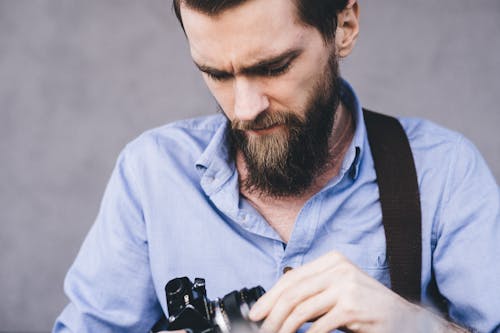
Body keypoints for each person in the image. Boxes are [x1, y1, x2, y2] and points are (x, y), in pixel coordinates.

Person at [53, 0, 500, 332]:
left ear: (344, 25)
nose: (244, 109)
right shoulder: (149, 173)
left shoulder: (443, 172)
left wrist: (411, 325)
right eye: (217, 74)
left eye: (273, 67)